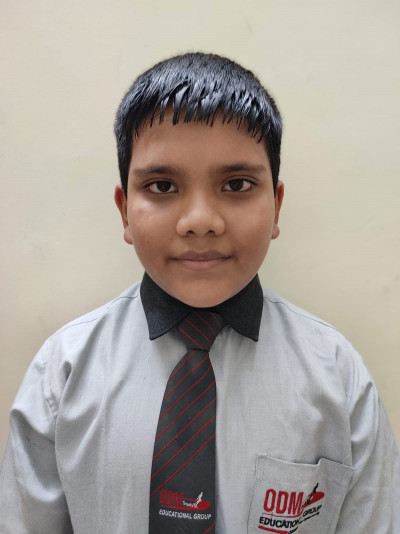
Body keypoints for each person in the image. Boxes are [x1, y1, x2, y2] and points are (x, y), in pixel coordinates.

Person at [0, 52, 398, 534]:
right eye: (162, 186)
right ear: (124, 211)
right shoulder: (61, 374)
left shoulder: (337, 376)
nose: (200, 221)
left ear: (276, 206)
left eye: (237, 184)